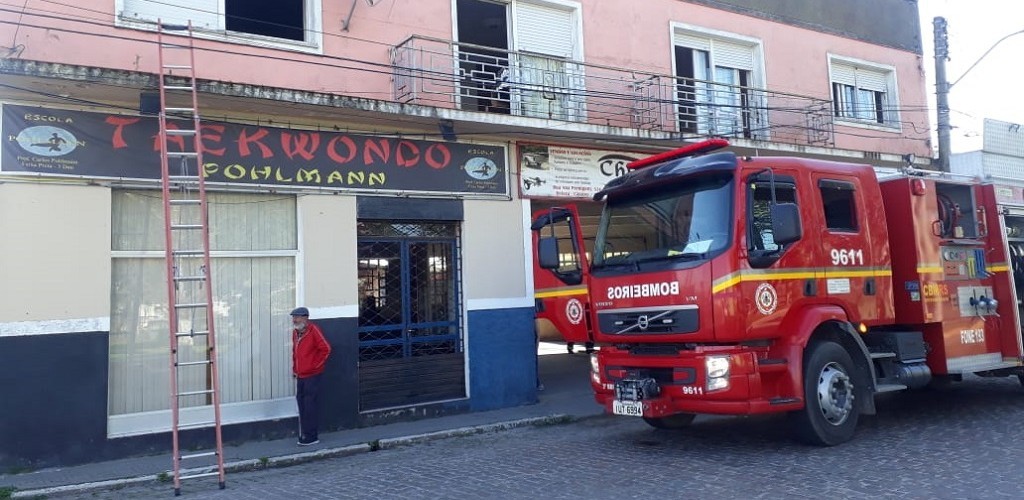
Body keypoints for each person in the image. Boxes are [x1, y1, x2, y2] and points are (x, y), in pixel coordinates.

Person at [290, 306, 331, 446]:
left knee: (309, 405)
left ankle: (312, 436)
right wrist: (295, 368)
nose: (294, 320)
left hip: (312, 375)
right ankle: (305, 433)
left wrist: (315, 366)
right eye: (294, 317)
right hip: (300, 375)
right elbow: (295, 353)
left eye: (297, 317)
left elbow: (326, 349)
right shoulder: (295, 333)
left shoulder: (314, 331)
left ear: (306, 318)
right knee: (301, 403)